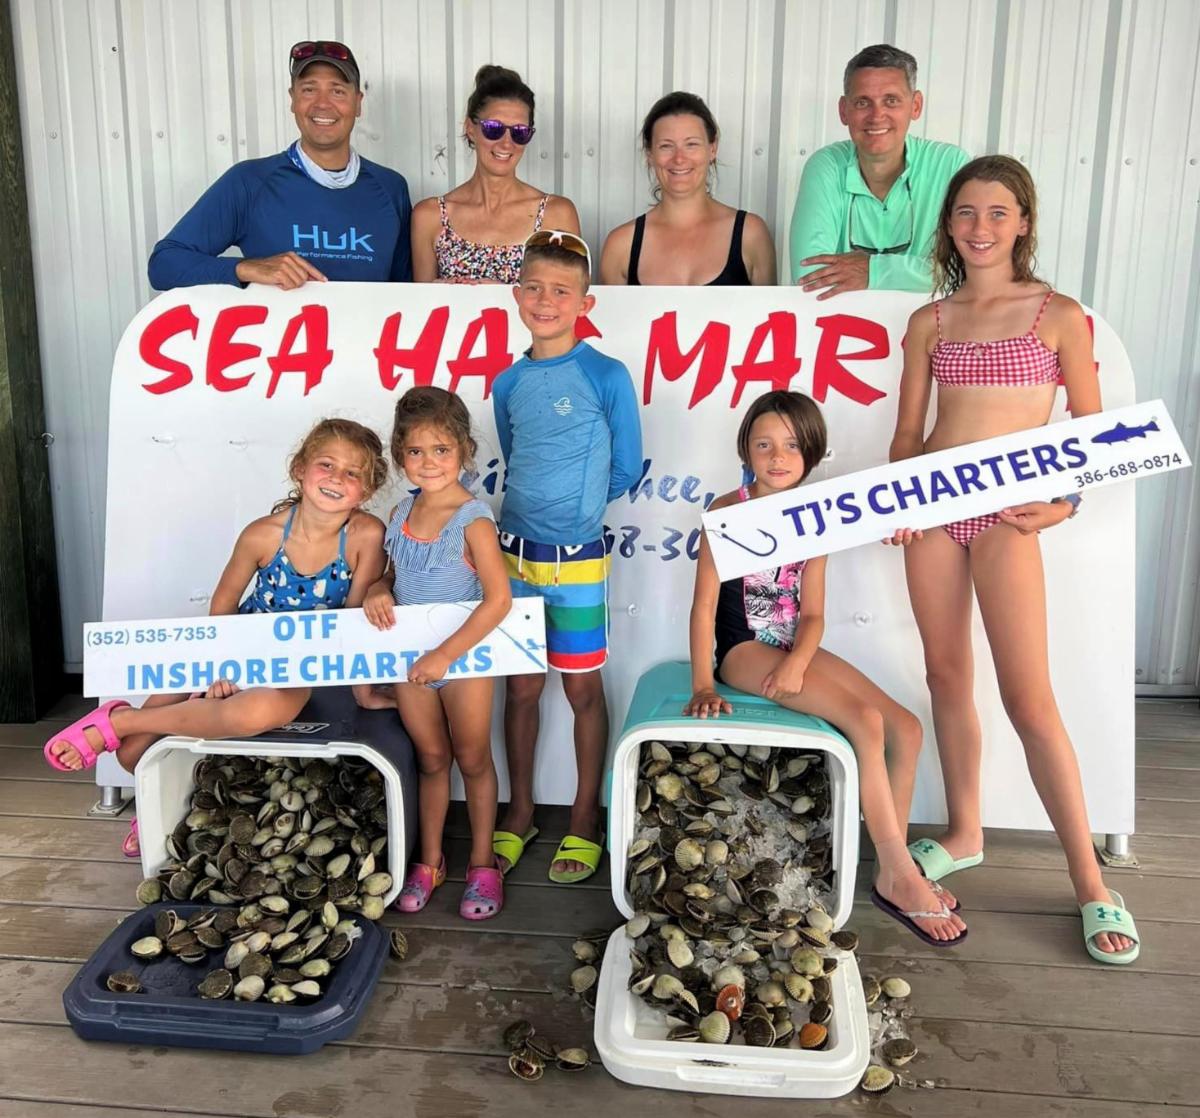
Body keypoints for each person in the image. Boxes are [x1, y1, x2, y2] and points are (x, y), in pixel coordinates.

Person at [886, 155, 1139, 964]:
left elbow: (1092, 435)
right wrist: (895, 497)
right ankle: (965, 831)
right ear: (948, 224)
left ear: (1024, 222)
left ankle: (1092, 883)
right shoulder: (929, 321)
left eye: (998, 212)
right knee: (946, 675)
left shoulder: (1059, 315)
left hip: (1007, 515)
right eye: (966, 212)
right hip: (933, 509)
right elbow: (909, 432)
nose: (980, 227)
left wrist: (1065, 504)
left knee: (1030, 697)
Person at [685, 391, 965, 946]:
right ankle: (900, 873)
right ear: (745, 449)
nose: (777, 457)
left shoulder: (813, 516)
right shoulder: (726, 511)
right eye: (764, 445)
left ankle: (891, 866)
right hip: (745, 649)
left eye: (792, 446)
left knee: (906, 727)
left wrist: (799, 662)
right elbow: (703, 606)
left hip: (794, 645)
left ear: (811, 451)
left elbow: (812, 614)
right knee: (865, 720)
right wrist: (702, 682)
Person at [43, 418, 389, 855]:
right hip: (234, 648)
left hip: (300, 665)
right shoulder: (262, 534)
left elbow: (353, 623)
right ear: (300, 468)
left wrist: (363, 693)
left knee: (256, 711)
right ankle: (152, 803)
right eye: (327, 464)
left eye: (352, 472)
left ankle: (120, 719)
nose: (337, 478)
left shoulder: (366, 535)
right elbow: (223, 606)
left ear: (367, 490)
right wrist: (223, 668)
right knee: (132, 755)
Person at [491, 230, 643, 883]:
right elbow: (513, 457)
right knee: (521, 688)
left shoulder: (606, 375)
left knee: (581, 688)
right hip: (512, 561)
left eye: (560, 290)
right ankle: (521, 809)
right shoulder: (507, 381)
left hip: (577, 562)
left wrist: (575, 517)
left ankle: (584, 816)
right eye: (534, 288)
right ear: (517, 295)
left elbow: (627, 465)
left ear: (585, 303)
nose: (545, 301)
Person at [362, 388, 512, 920]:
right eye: (416, 451)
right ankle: (430, 860)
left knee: (473, 759)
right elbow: (393, 575)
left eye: (441, 450)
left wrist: (446, 655)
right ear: (400, 454)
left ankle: (482, 862)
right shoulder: (400, 512)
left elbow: (498, 600)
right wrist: (378, 587)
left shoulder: (473, 520)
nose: (429, 462)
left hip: (464, 661)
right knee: (430, 760)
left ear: (464, 450)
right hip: (412, 664)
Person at [148, 40, 412, 290]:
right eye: (309, 89)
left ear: (358, 103)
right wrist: (245, 268)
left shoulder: (391, 188)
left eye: (337, 91)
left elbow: (408, 290)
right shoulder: (249, 182)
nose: (322, 103)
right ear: (293, 99)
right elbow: (164, 264)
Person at [788, 44, 968, 298]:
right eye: (863, 102)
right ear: (843, 110)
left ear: (916, 105)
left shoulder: (949, 164)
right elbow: (809, 275)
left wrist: (873, 270)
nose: (877, 115)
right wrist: (916, 273)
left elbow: (966, 269)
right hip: (842, 321)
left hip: (934, 322)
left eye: (891, 101)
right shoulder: (826, 165)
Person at [410, 65, 579, 284]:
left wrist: (501, 295)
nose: (506, 143)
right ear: (470, 128)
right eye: (493, 128)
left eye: (520, 132)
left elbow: (569, 297)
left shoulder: (556, 214)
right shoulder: (430, 216)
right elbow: (421, 301)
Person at [599, 91, 776, 285]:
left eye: (691, 144)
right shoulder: (620, 246)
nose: (679, 159)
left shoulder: (751, 234)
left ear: (712, 149)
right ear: (650, 154)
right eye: (666, 146)